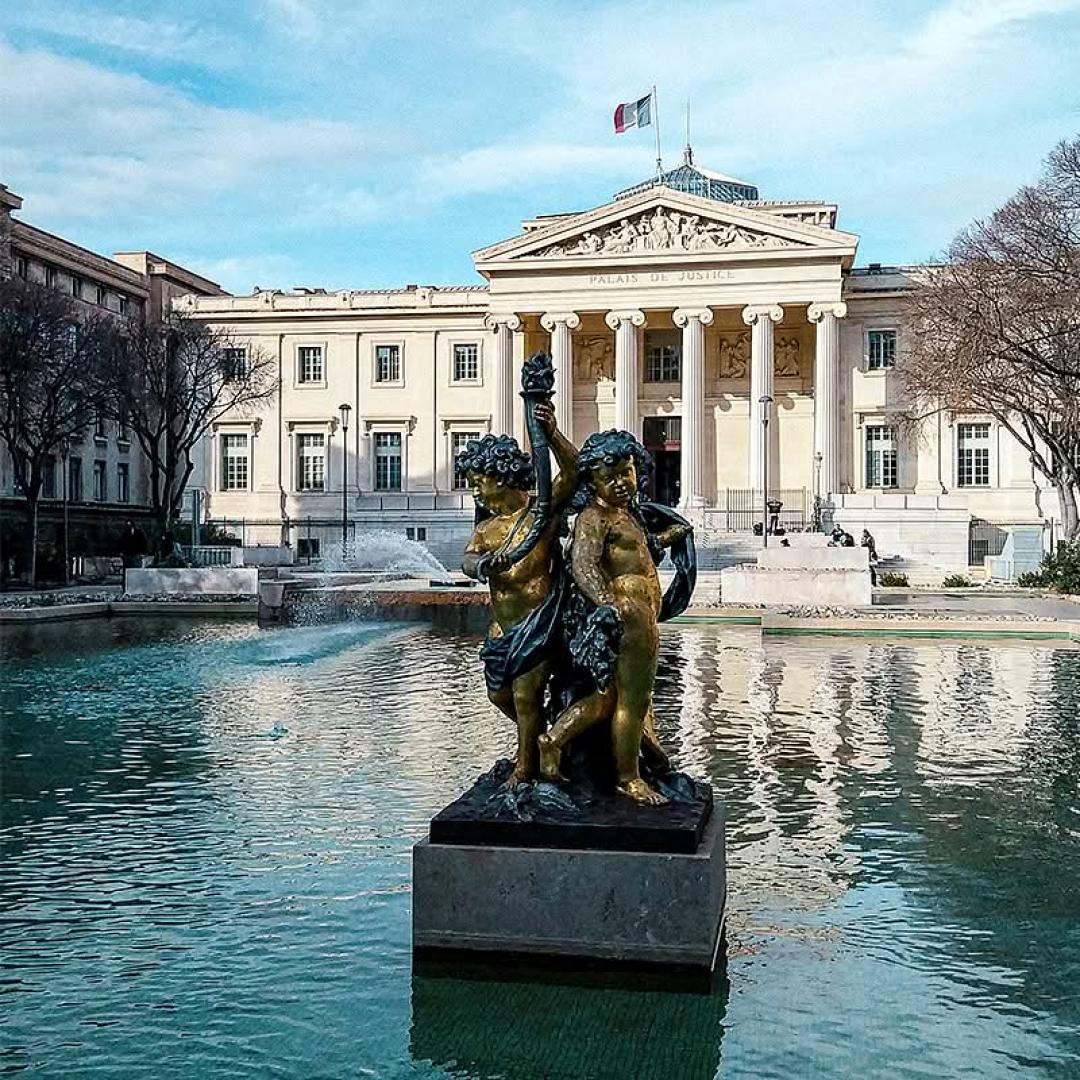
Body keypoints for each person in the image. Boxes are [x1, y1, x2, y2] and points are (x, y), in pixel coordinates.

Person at [537, 430, 693, 806]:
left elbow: (639, 552)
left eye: (627, 472)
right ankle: (629, 778)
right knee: (634, 701)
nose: (621, 482)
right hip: (629, 616)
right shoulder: (595, 517)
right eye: (610, 477)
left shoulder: (626, 515)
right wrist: (608, 605)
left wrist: (671, 535)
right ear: (592, 482)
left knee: (609, 698)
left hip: (638, 615)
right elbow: (583, 564)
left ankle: (553, 741)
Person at [458, 403, 577, 789]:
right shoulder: (487, 529)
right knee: (498, 695)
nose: (476, 492)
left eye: (480, 482)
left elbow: (574, 472)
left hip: (538, 622)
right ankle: (542, 740)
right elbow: (466, 560)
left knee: (526, 696)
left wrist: (552, 434)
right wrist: (481, 566)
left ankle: (525, 768)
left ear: (502, 476)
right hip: (502, 628)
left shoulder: (541, 513)